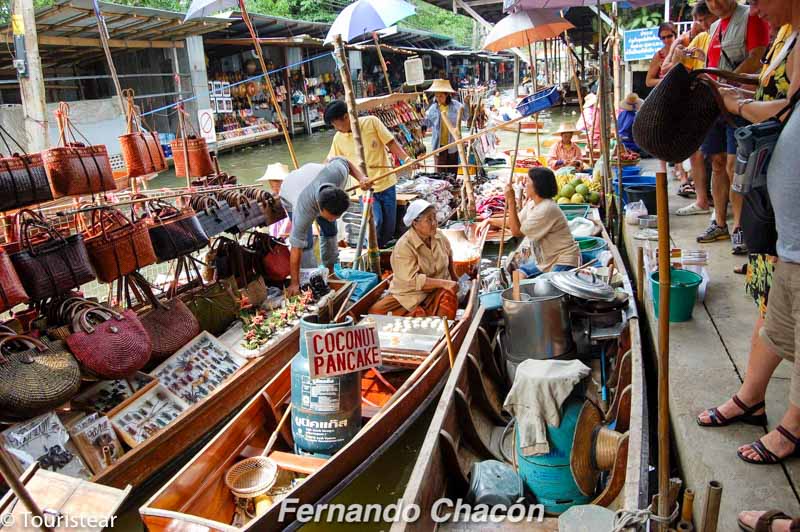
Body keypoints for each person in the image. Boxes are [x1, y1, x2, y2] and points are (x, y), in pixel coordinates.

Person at [696, 3, 799, 467]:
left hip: (790, 226)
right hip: (783, 223)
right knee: (773, 317)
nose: (754, 6)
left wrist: (735, 104)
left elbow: (784, 110)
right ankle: (751, 397)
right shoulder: (786, 35)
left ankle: (793, 426)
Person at [695, 0, 769, 253]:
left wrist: (728, 83)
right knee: (716, 162)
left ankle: (739, 226)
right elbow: (713, 65)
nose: (715, 3)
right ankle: (719, 222)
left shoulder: (751, 16)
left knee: (734, 165)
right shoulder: (714, 28)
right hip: (716, 104)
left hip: (740, 103)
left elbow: (757, 55)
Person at [324, 100, 413, 248]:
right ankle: (369, 253)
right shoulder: (338, 138)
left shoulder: (371, 122)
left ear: (346, 117)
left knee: (389, 227)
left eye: (335, 123)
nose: (335, 128)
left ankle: (382, 252)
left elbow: (391, 143)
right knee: (375, 222)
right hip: (364, 191)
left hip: (387, 184)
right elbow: (331, 160)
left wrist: (408, 159)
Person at [279, 158, 369, 296]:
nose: (334, 219)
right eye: (331, 216)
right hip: (291, 189)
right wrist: (294, 283)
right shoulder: (303, 209)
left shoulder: (338, 174)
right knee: (306, 243)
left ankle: (331, 272)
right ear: (319, 209)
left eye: (337, 216)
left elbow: (344, 161)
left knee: (331, 230)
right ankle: (309, 280)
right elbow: (296, 247)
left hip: (314, 175)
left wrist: (362, 178)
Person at [481, 167, 580, 279]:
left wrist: (511, 201)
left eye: (527, 181)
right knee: (516, 277)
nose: (524, 184)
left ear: (537, 186)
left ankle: (522, 295)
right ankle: (516, 296)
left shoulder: (547, 208)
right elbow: (513, 222)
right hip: (546, 261)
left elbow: (516, 232)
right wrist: (490, 221)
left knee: (545, 287)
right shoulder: (533, 204)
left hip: (563, 260)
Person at [367, 200, 459, 319]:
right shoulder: (404, 246)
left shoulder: (438, 235)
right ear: (415, 223)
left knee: (448, 301)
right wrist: (445, 283)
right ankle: (420, 313)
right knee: (374, 313)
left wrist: (453, 276)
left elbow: (449, 253)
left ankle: (438, 327)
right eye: (429, 220)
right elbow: (413, 281)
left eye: (435, 218)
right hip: (409, 294)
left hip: (437, 290)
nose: (434, 223)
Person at [674, 0, 719, 217]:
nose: (702, 24)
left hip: (720, 103)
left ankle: (717, 207)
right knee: (697, 153)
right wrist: (680, 50)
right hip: (701, 103)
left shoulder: (723, 33)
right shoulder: (701, 38)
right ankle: (702, 200)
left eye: (705, 19)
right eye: (699, 20)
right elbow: (681, 64)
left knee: (720, 160)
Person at [423, 79, 465, 171]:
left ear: (447, 95)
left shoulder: (456, 106)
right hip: (439, 145)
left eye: (441, 96)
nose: (438, 98)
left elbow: (465, 117)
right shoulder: (433, 108)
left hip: (452, 144)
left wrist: (467, 104)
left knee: (452, 170)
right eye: (436, 96)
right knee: (440, 172)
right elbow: (428, 123)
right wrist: (421, 116)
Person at [257, 162, 291, 238]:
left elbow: (291, 218)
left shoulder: (289, 195)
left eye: (276, 182)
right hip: (278, 225)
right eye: (271, 182)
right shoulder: (273, 196)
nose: (272, 185)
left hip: (288, 230)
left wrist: (281, 235)